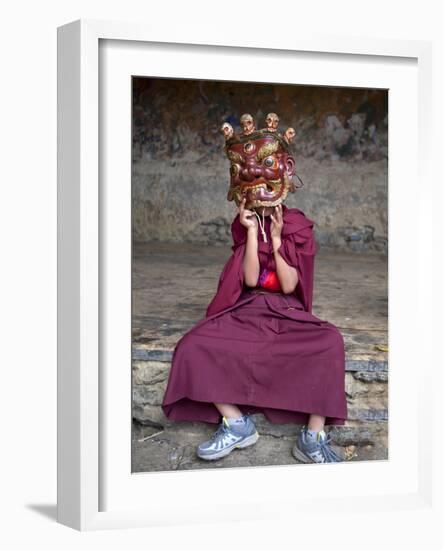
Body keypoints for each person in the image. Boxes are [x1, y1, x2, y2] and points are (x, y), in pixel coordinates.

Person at [161, 113, 347, 464]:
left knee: (330, 342)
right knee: (192, 345)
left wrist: (276, 240)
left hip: (286, 314)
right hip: (248, 310)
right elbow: (248, 280)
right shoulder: (242, 224)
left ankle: (312, 436)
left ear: (285, 171)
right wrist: (250, 232)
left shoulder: (297, 225)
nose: (254, 177)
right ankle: (236, 423)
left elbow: (290, 283)